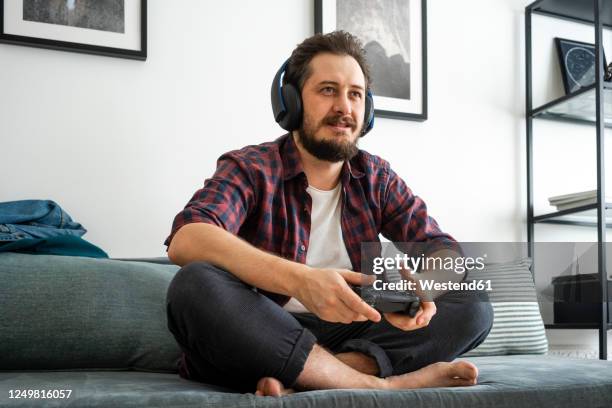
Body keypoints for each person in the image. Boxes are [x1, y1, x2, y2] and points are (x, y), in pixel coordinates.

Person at [164, 30, 493, 397]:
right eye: (327, 90)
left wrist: (422, 288)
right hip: (261, 330)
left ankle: (322, 376)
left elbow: (443, 248)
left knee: (472, 298)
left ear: (366, 110)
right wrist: (300, 280)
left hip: (347, 333)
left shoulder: (377, 177)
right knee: (194, 285)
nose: (344, 107)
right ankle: (377, 383)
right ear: (291, 102)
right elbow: (187, 237)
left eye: (354, 94)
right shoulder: (251, 167)